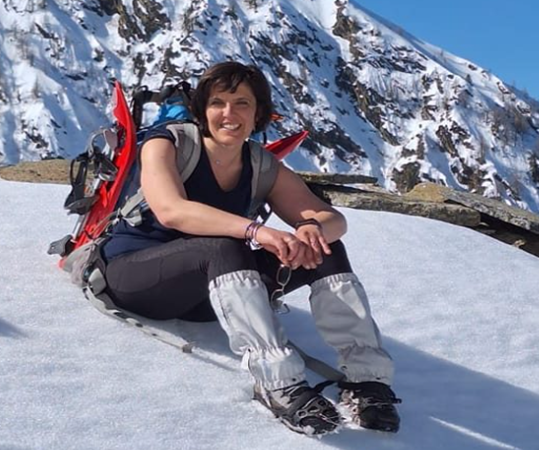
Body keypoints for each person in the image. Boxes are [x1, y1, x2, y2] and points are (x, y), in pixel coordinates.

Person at [101, 61, 400, 435]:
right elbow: (172, 210)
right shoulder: (167, 144)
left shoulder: (260, 164)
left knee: (325, 247)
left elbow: (331, 218)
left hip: (210, 296)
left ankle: (367, 381)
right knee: (223, 248)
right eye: (217, 103)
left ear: (258, 113)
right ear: (202, 110)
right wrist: (256, 231)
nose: (229, 113)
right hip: (134, 279)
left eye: (241, 103)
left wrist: (309, 229)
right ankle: (279, 384)